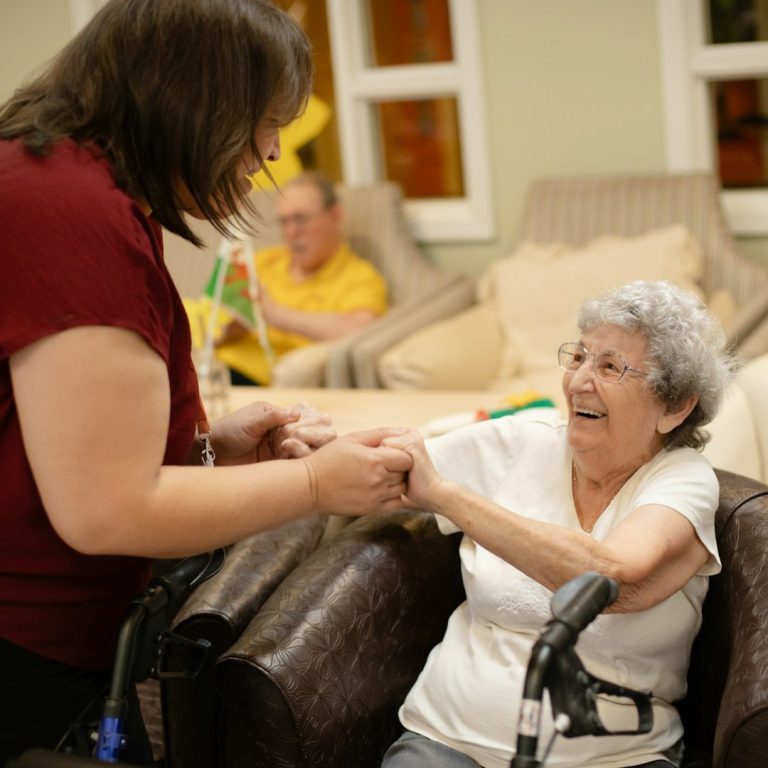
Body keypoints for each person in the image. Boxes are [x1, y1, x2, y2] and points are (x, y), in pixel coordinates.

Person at [0, 1, 411, 763]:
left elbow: (58, 448)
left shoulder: (58, 184)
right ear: (196, 100)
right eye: (267, 122)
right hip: (23, 658)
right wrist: (316, 485)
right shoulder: (70, 213)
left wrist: (207, 453)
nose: (274, 149)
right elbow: (106, 510)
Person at [380, 280, 735, 768]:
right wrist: (306, 454)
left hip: (614, 759)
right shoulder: (521, 443)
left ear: (675, 407)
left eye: (609, 366)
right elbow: (391, 468)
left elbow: (606, 573)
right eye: (579, 357)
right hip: (446, 741)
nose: (578, 381)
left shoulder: (682, 480)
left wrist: (445, 496)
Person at [207, 170, 389, 385]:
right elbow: (207, 320)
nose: (291, 232)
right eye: (284, 222)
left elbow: (363, 331)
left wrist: (276, 315)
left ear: (335, 216)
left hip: (261, 380)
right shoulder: (262, 261)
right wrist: (230, 329)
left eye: (301, 219)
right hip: (211, 367)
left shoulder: (359, 276)